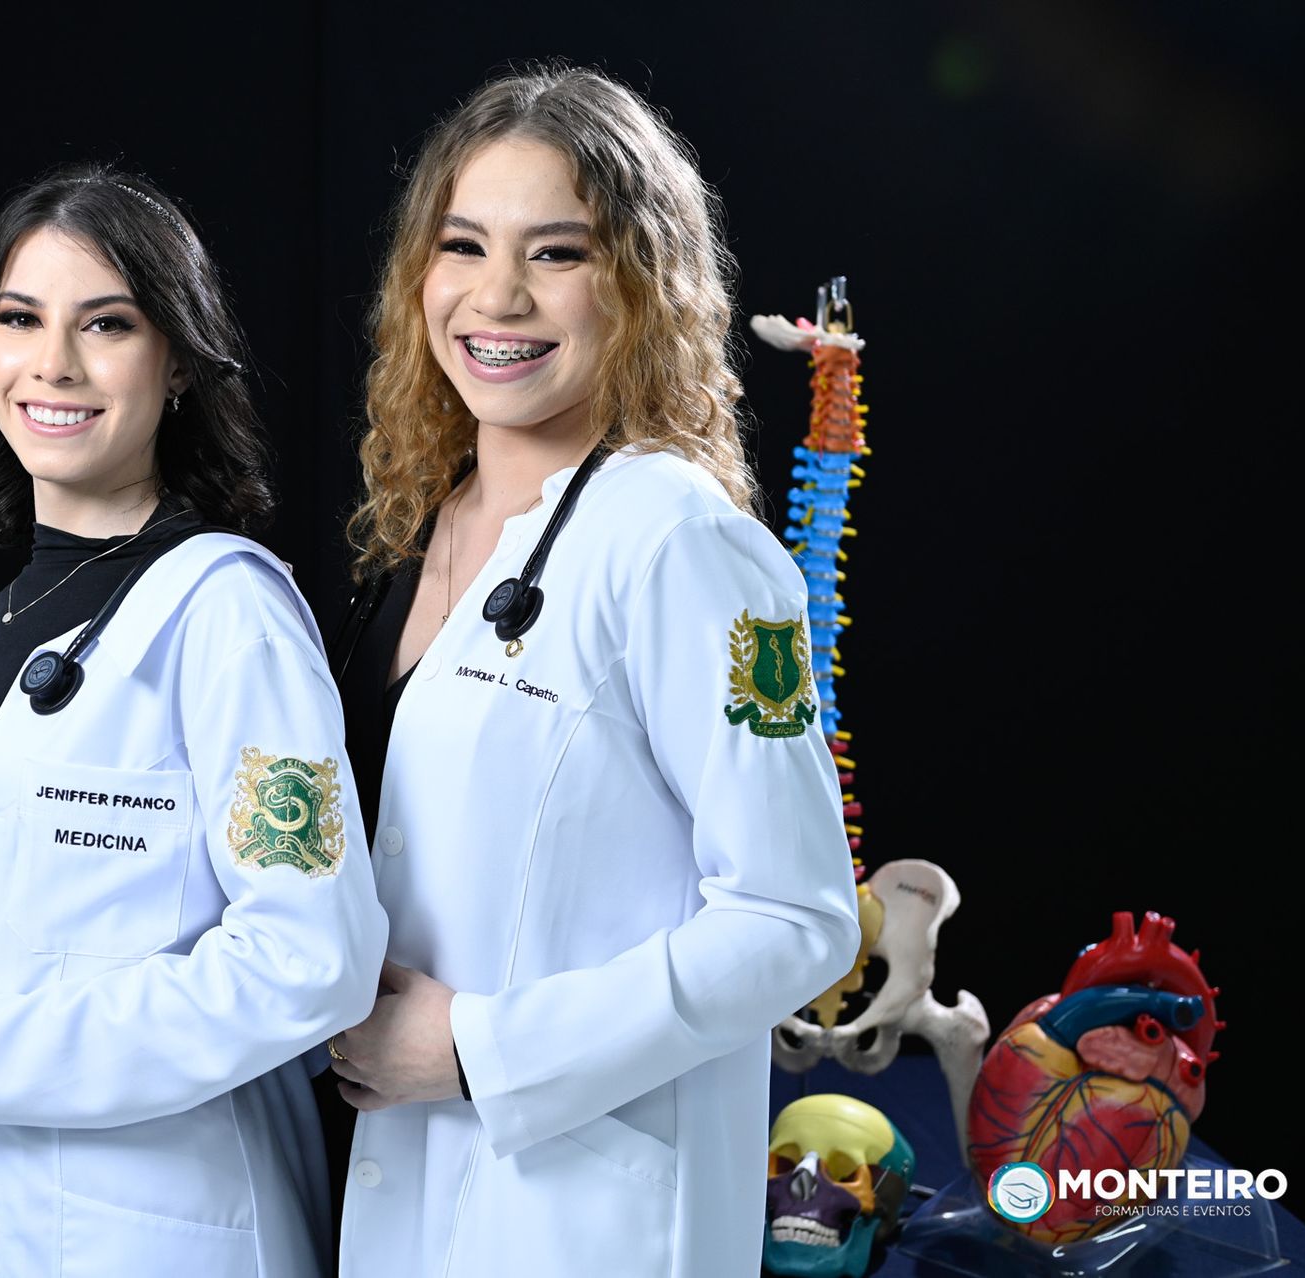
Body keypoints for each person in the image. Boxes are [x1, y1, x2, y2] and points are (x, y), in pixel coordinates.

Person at [325, 66, 862, 1276]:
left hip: (573, 1223)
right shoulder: (421, 529)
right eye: (463, 245)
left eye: (556, 253)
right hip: (384, 1190)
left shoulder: (690, 546)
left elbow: (798, 919)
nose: (497, 295)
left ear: (640, 284)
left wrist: (483, 1051)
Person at [0, 165, 387, 1278]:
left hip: (155, 1226)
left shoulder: (227, 612)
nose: (54, 364)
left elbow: (311, 959)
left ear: (177, 361)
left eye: (107, 325)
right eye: (20, 319)